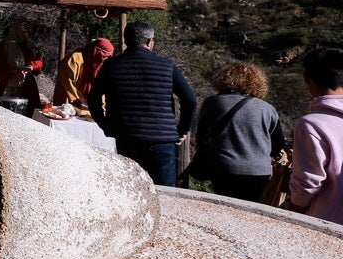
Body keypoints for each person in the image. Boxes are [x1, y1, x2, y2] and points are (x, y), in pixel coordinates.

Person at [88, 21, 197, 186]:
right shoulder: (168, 66)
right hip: (162, 140)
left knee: (130, 188)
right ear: (149, 41)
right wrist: (182, 130)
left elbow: (93, 98)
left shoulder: (111, 65)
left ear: (126, 41)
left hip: (126, 137)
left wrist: (105, 124)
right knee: (164, 192)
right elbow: (190, 99)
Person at [192, 62, 286, 202]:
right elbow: (278, 145)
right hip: (259, 171)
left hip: (224, 168)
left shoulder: (212, 103)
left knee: (226, 209)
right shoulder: (267, 109)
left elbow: (201, 135)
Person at [289, 44, 343, 224]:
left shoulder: (312, 125)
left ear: (307, 79)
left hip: (325, 223)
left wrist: (292, 210)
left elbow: (307, 183)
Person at [0, 19, 43, 108]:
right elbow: (0, 69)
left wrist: (32, 66)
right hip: (10, 87)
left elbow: (39, 62)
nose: (26, 33)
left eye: (28, 31)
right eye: (23, 30)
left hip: (28, 86)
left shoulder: (30, 46)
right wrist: (16, 71)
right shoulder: (4, 46)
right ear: (16, 30)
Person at [52, 37, 115, 107]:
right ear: (95, 52)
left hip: (86, 105)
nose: (104, 60)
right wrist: (79, 99)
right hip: (67, 102)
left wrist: (102, 102)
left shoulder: (100, 65)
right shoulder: (75, 58)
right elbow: (67, 81)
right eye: (103, 56)